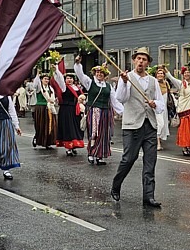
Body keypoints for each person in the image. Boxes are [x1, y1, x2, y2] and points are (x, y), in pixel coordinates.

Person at [112, 48, 165, 208]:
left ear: (148, 63)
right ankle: (116, 185)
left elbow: (161, 103)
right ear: (134, 60)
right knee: (129, 158)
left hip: (150, 125)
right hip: (132, 125)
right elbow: (120, 98)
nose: (141, 61)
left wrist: (155, 104)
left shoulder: (153, 81)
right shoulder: (126, 77)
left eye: (144, 59)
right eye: (138, 58)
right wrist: (125, 83)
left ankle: (149, 196)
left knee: (150, 162)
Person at [74, 56, 123, 165]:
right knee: (94, 133)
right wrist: (77, 64)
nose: (99, 74)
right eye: (97, 72)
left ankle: (100, 155)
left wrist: (123, 112)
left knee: (104, 134)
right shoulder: (90, 83)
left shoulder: (109, 87)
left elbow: (114, 100)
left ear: (105, 76)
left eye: (101, 73)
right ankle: (91, 154)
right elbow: (80, 75)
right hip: (93, 112)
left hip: (105, 112)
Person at [166, 67, 190, 157]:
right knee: (185, 131)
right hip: (185, 111)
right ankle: (185, 147)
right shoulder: (181, 84)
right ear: (183, 75)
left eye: (188, 72)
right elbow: (171, 79)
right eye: (185, 73)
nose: (187, 74)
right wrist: (167, 71)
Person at [52, 67, 85, 156]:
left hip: (75, 110)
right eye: (67, 78)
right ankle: (68, 147)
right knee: (68, 128)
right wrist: (56, 70)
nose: (69, 80)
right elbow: (59, 79)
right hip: (66, 110)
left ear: (73, 80)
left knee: (76, 128)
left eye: (71, 78)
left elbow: (81, 98)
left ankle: (74, 146)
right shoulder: (64, 87)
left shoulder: (77, 88)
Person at [32, 72, 58, 149]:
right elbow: (35, 84)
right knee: (41, 125)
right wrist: (37, 74)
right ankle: (37, 138)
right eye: (45, 79)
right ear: (41, 80)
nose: (46, 80)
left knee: (50, 125)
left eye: (47, 79)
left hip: (50, 107)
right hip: (41, 108)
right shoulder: (39, 88)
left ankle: (48, 141)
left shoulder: (50, 89)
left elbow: (52, 98)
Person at [152, 66, 174, 151]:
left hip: (164, 108)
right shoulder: (154, 83)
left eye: (162, 73)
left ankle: (159, 140)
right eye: (158, 73)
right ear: (156, 75)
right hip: (156, 108)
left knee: (163, 124)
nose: (160, 75)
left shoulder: (166, 83)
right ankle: (158, 143)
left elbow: (169, 95)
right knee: (159, 124)